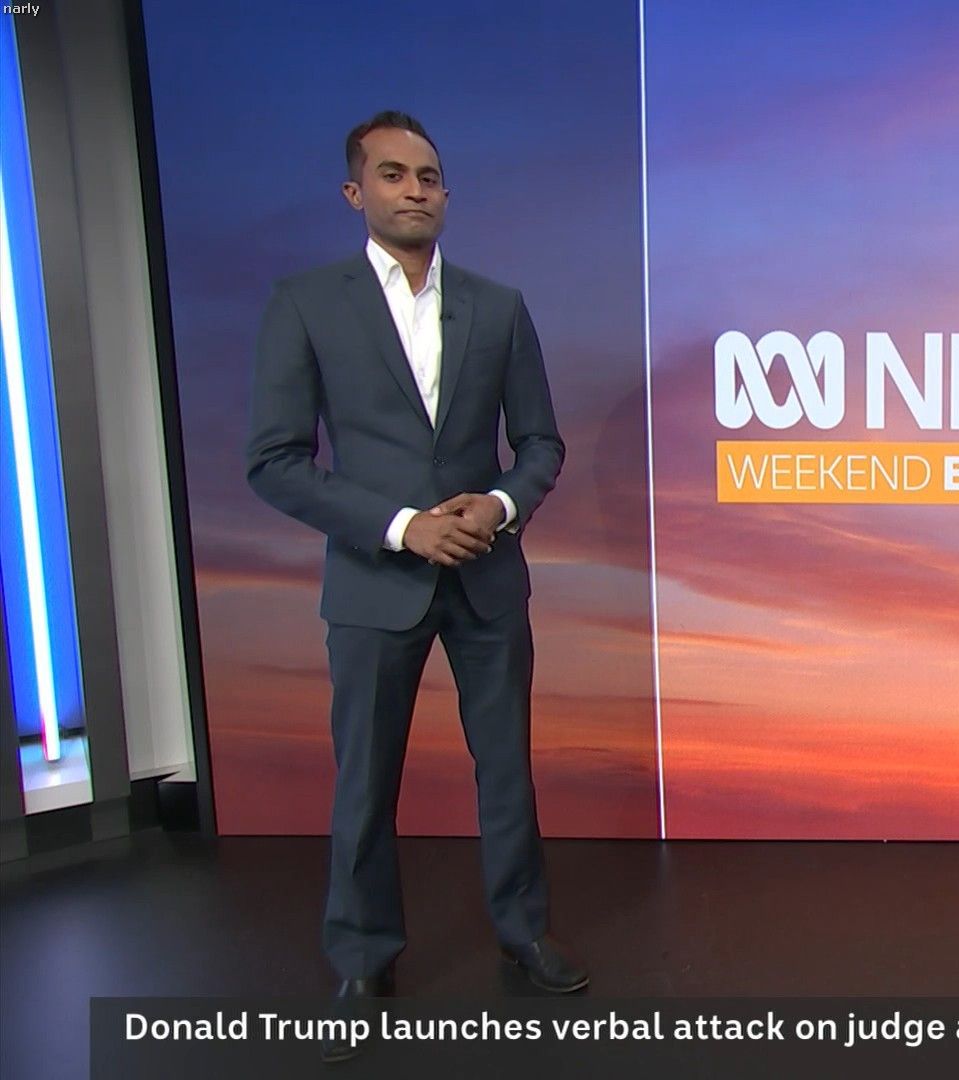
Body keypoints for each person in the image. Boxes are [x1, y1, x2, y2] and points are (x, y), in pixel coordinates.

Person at [246, 111, 586, 1060]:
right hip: (373, 580)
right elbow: (275, 461)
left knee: (505, 768)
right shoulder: (306, 304)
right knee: (365, 778)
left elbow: (540, 442)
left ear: (445, 193)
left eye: (429, 176)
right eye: (393, 174)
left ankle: (523, 931)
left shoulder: (498, 306)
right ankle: (363, 958)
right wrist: (404, 527)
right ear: (355, 192)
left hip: (487, 577)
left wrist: (501, 507)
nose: (416, 189)